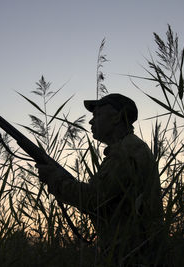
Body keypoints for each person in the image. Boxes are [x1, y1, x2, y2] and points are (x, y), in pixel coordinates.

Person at [36, 93, 165, 266]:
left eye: (97, 115)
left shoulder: (125, 152)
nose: (91, 121)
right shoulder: (130, 147)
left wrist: (55, 180)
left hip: (133, 255)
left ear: (117, 117)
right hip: (138, 252)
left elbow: (94, 199)